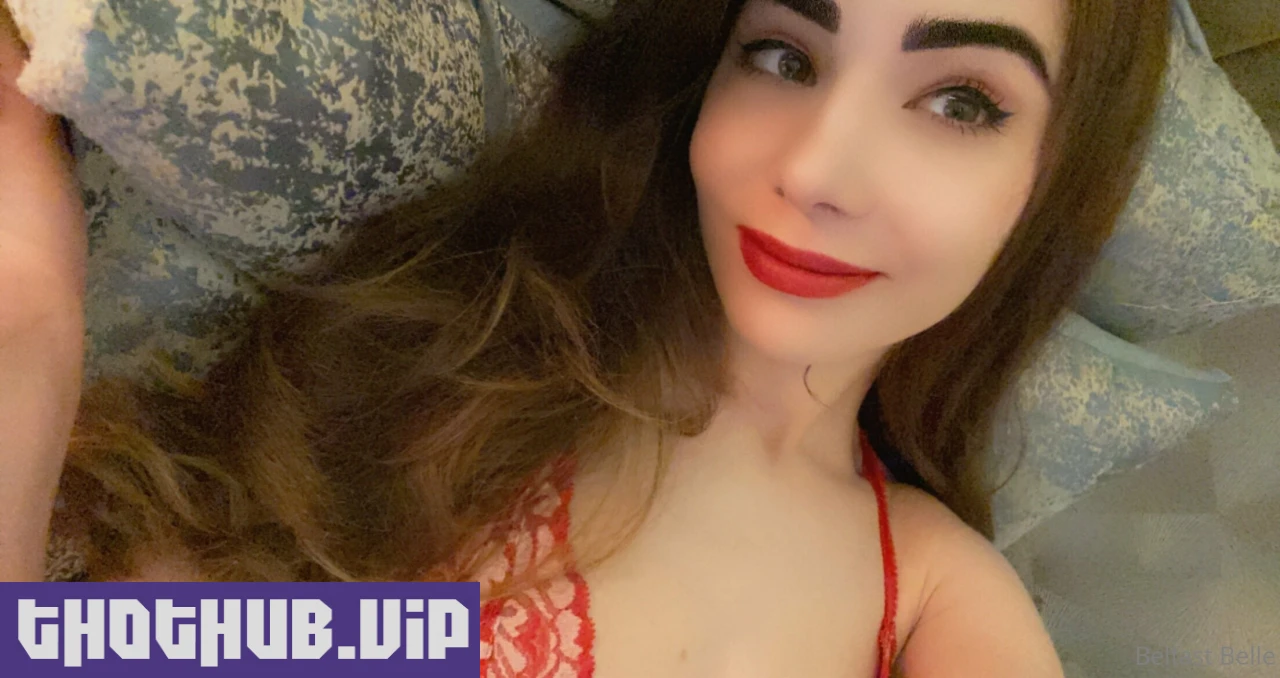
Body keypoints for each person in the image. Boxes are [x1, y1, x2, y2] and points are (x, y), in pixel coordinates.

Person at [0, 0, 1171, 674]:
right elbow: (102, 648)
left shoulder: (927, 591)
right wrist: (34, 318)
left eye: (959, 101)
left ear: (1052, 184)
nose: (814, 168)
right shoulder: (470, 362)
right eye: (783, 56)